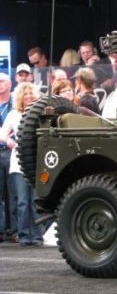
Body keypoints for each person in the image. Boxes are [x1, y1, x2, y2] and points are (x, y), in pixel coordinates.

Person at [0, 82, 43, 246]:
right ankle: (24, 235)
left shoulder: (40, 113)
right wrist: (9, 140)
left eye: (31, 94)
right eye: (25, 94)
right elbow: (2, 133)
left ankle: (37, 235)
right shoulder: (13, 114)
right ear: (20, 97)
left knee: (35, 201)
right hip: (18, 162)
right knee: (23, 201)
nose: (28, 97)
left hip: (37, 161)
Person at [0, 73, 14, 243]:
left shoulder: (14, 104)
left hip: (11, 152)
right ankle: (1, 231)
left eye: (2, 81)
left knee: (13, 194)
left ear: (10, 84)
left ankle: (14, 230)